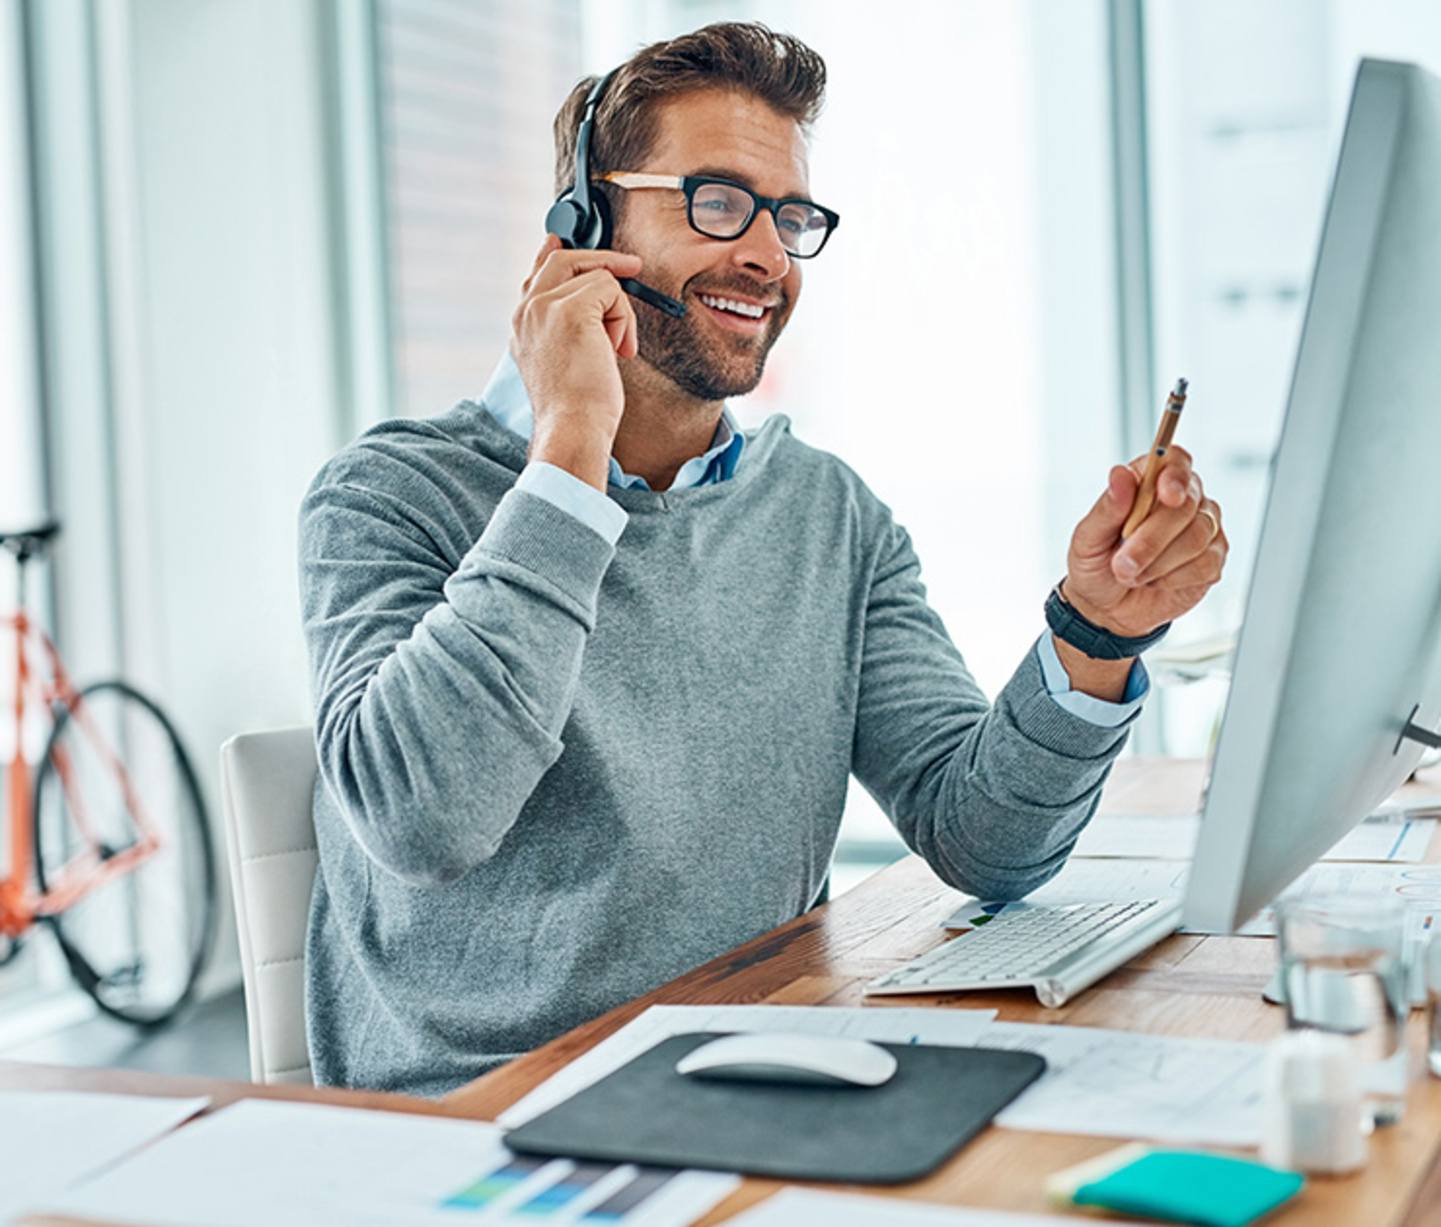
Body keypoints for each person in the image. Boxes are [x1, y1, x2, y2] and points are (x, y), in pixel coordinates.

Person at [299, 22, 1227, 1096]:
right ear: (581, 226)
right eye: (717, 201)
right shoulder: (388, 494)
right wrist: (567, 456)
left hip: (761, 1069)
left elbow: (985, 845)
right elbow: (422, 821)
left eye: (789, 218)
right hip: (486, 1112)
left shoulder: (827, 514)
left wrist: (1095, 631)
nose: (766, 257)